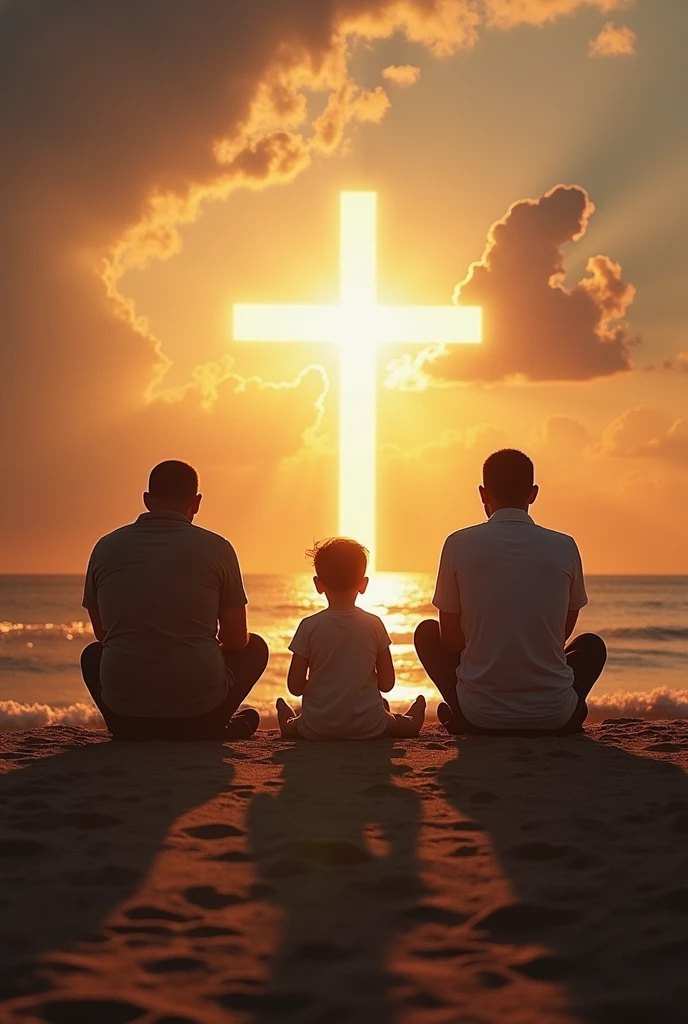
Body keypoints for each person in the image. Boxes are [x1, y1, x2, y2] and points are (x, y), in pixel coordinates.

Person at [415, 449, 607, 737]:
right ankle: (572, 709)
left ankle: (460, 711)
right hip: (554, 716)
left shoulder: (457, 544)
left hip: (480, 715)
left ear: (483, 494)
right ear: (533, 493)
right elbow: (560, 634)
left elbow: (452, 642)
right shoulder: (565, 545)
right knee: (591, 645)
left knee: (427, 633)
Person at [81, 460, 268, 740]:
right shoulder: (218, 548)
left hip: (125, 709)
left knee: (92, 655)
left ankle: (125, 728)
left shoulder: (105, 547)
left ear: (146, 501)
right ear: (196, 503)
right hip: (198, 708)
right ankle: (213, 726)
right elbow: (238, 641)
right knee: (256, 649)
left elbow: (103, 634)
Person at [277, 538, 426, 740]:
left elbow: (295, 687)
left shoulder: (308, 626)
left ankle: (287, 718)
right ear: (363, 585)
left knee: (292, 728)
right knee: (401, 725)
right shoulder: (374, 624)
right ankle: (414, 714)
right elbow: (387, 683)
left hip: (318, 727)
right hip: (369, 726)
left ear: (318, 584)